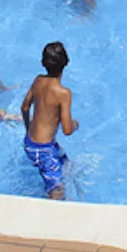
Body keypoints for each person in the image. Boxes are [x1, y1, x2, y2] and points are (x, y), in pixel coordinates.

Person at [21, 42, 77, 198]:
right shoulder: (63, 93)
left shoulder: (38, 80)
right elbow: (67, 130)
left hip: (32, 142)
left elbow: (25, 107)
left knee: (67, 166)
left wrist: (28, 129)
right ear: (66, 62)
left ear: (43, 63)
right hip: (43, 149)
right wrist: (75, 125)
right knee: (57, 191)